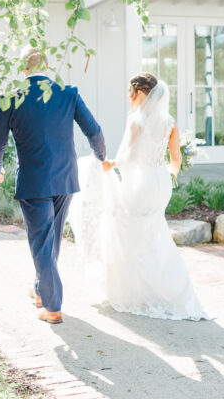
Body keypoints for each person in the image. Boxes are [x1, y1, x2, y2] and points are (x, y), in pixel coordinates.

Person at [73, 72, 207, 320]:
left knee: (130, 235)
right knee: (155, 234)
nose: (128, 97)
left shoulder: (136, 120)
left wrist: (107, 165)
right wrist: (166, 175)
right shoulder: (169, 122)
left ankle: (135, 293)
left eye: (130, 92)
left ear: (139, 93)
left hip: (140, 183)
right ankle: (171, 291)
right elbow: (175, 161)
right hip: (160, 183)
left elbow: (125, 157)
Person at [0, 47, 105, 324]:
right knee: (48, 240)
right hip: (65, 179)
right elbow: (94, 130)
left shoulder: (11, 98)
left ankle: (52, 307)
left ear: (23, 69)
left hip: (34, 180)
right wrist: (101, 156)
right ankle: (42, 290)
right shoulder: (68, 93)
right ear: (48, 66)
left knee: (42, 240)